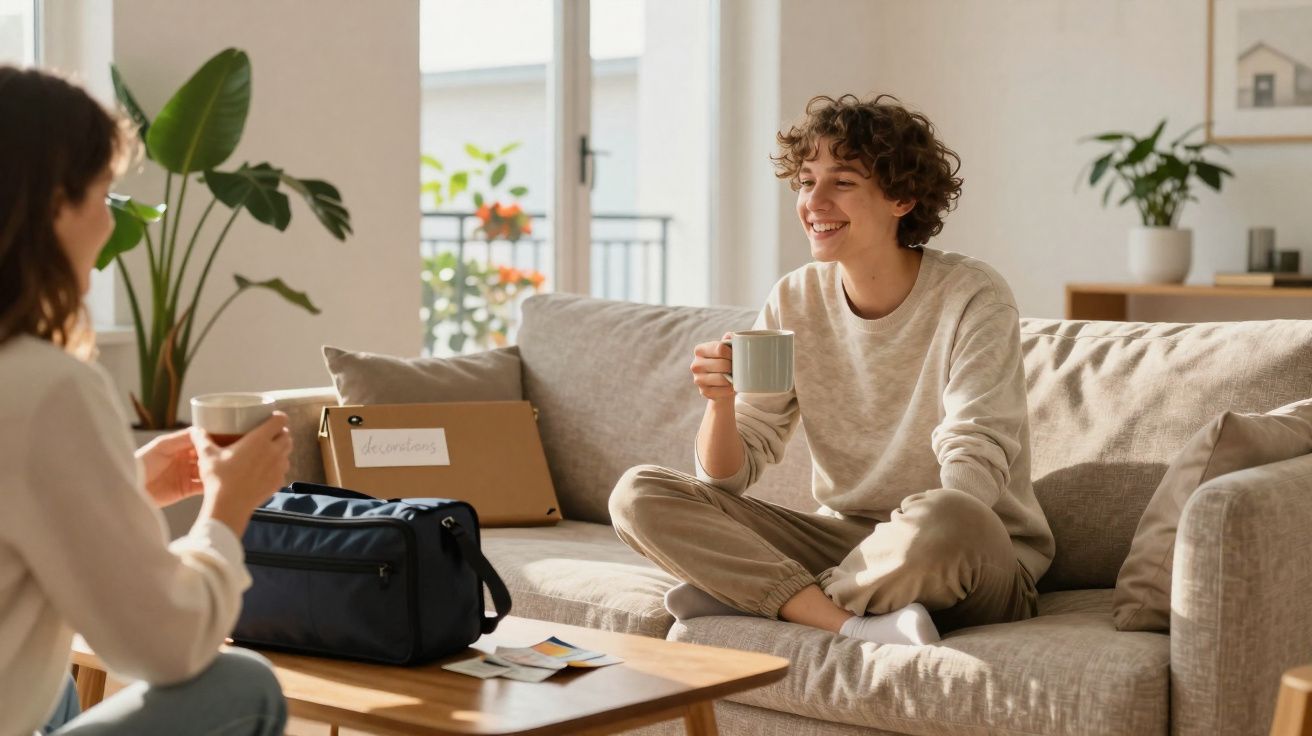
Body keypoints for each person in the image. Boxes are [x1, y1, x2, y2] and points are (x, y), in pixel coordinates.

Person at [609, 94, 1054, 645]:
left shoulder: (972, 294)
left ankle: (765, 599)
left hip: (969, 552)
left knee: (946, 517)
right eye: (805, 181)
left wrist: (910, 535)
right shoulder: (794, 297)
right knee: (638, 493)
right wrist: (721, 402)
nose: (813, 201)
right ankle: (843, 620)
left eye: (841, 182)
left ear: (902, 198)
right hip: (845, 542)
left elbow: (975, 457)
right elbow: (726, 478)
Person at [0, 66, 290, 735]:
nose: (107, 225)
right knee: (243, 685)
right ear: (51, 205)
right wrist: (226, 510)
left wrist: (127, 483)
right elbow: (162, 647)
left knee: (55, 690)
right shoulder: (46, 386)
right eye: (103, 195)